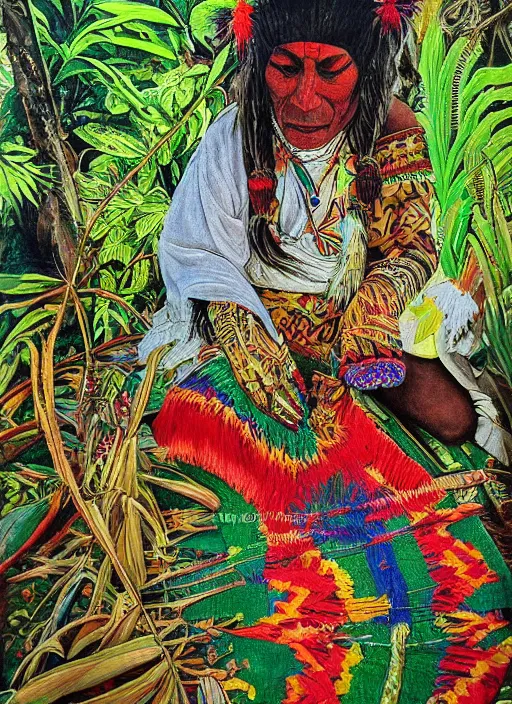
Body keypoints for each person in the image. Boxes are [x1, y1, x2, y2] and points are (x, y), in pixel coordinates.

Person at [139, 1, 512, 701]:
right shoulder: (234, 140)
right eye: (286, 69)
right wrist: (235, 320)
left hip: (360, 320)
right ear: (261, 65)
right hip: (265, 316)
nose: (306, 98)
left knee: (455, 419)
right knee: (222, 424)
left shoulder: (395, 132)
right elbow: (196, 247)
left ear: (363, 67)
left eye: (330, 71)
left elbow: (414, 245)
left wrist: (375, 300)